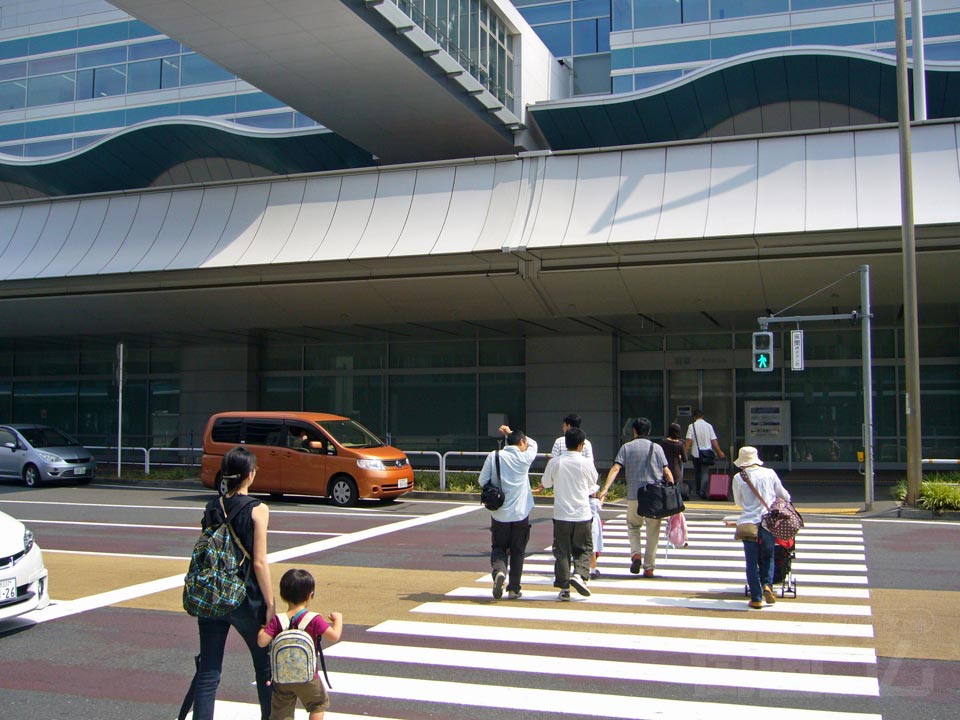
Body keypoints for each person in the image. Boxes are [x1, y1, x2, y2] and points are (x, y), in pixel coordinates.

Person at [192, 446, 276, 720]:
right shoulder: (258, 509)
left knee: (208, 671)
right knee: (264, 666)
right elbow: (259, 562)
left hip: (213, 595)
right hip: (245, 598)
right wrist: (270, 603)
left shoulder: (211, 506)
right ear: (250, 475)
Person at [257, 568, 343, 720]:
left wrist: (263, 628)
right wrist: (338, 620)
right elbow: (334, 636)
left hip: (282, 678)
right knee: (317, 704)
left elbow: (262, 642)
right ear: (310, 595)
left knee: (281, 711)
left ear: (283, 595)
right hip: (308, 676)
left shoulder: (278, 620)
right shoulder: (314, 619)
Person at [598, 417, 673, 578]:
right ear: (649, 431)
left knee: (633, 526)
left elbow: (615, 468)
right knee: (653, 531)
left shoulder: (626, 448)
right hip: (654, 497)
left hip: (634, 496)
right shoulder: (657, 448)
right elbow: (667, 472)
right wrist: (672, 492)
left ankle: (636, 554)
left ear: (634, 431)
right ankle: (649, 567)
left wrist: (605, 489)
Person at [478, 424, 538, 600]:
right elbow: (534, 444)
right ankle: (514, 589)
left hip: (499, 513)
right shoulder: (524, 457)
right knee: (518, 550)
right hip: (520, 514)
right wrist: (511, 432)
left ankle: (499, 572)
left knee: (498, 547)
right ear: (521, 442)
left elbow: (482, 480)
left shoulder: (494, 456)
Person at [540, 427, 598, 600]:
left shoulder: (555, 462)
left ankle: (564, 588)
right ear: (581, 445)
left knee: (562, 551)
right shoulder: (586, 463)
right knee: (584, 548)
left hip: (561, 514)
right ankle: (579, 575)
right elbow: (593, 481)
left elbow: (546, 483)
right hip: (582, 513)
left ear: (565, 444)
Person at [731, 446, 791, 609]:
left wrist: (750, 506)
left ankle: (756, 598)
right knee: (768, 556)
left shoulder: (738, 478)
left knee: (751, 562)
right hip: (768, 521)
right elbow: (785, 496)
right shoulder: (770, 473)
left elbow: (739, 502)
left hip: (748, 523)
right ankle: (767, 585)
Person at [685, 409, 726, 498]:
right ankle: (703, 491)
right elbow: (713, 440)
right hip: (707, 453)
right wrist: (719, 452)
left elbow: (688, 440)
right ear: (702, 416)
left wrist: (685, 452)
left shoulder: (691, 426)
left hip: (696, 453)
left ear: (694, 417)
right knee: (704, 472)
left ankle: (698, 490)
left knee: (697, 472)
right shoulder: (709, 426)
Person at [658, 422, 687, 498]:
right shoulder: (680, 444)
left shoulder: (663, 442)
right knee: (676, 494)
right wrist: (679, 457)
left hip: (665, 469)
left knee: (665, 492)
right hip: (677, 471)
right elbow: (685, 459)